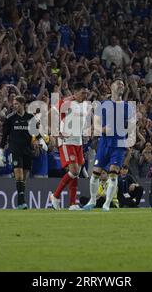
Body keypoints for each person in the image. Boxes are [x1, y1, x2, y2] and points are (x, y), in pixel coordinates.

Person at [83, 79, 133, 212]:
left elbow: (131, 126)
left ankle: (107, 204)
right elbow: (96, 125)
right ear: (111, 88)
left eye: (123, 84)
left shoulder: (127, 106)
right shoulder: (103, 104)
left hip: (119, 144)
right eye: (118, 83)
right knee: (95, 174)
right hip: (104, 144)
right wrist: (103, 130)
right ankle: (93, 200)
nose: (121, 85)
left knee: (113, 174)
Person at [51, 83, 89, 211]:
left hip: (78, 141)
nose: (85, 95)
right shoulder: (67, 102)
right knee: (74, 171)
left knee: (75, 174)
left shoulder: (84, 105)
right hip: (67, 141)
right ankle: (55, 196)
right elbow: (51, 113)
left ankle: (73, 204)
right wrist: (56, 132)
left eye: (86, 93)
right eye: (83, 93)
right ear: (76, 92)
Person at [0, 96, 35, 210]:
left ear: (23, 104)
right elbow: (4, 136)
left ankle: (21, 200)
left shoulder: (30, 117)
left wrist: (41, 140)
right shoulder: (10, 118)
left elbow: (35, 132)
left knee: (24, 178)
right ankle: (21, 202)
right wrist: (1, 153)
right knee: (19, 175)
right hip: (15, 149)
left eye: (17, 103)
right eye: (14, 104)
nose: (15, 105)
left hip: (27, 150)